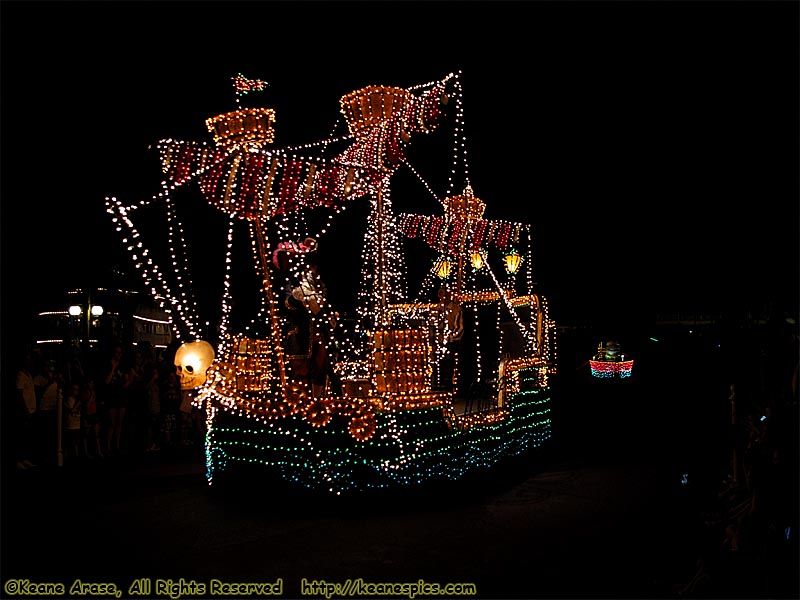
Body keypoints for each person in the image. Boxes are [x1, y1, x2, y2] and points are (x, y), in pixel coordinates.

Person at [435, 285, 464, 394]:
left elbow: (459, 328)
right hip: (438, 342)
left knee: (448, 362)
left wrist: (447, 337)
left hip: (451, 342)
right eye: (442, 294)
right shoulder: (436, 309)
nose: (444, 297)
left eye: (446, 294)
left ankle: (448, 387)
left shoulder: (456, 310)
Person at [13, 351, 39, 470]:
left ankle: (25, 459)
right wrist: (24, 409)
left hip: (31, 410)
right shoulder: (21, 375)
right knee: (22, 436)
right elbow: (19, 393)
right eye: (27, 360)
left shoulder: (28, 374)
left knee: (27, 437)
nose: (29, 362)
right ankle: (18, 460)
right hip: (25, 411)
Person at [63, 382, 83, 462]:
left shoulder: (76, 399)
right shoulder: (69, 399)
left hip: (77, 423)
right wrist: (78, 404)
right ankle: (67, 458)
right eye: (74, 389)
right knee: (70, 442)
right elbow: (72, 410)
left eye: (77, 389)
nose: (76, 391)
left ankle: (76, 457)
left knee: (76, 442)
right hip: (71, 424)